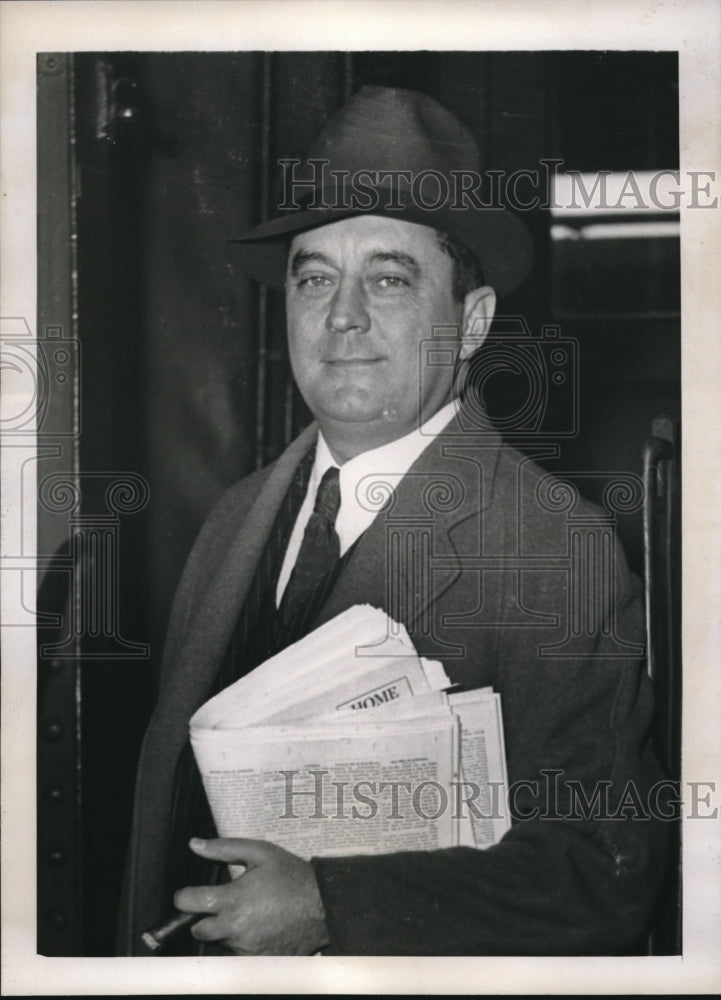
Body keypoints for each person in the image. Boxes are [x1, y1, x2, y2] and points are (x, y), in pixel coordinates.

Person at [119, 86, 668, 956]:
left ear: (472, 322)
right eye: (314, 279)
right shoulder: (233, 519)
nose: (342, 316)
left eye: (387, 277)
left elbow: (602, 868)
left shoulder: (551, 546)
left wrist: (333, 905)